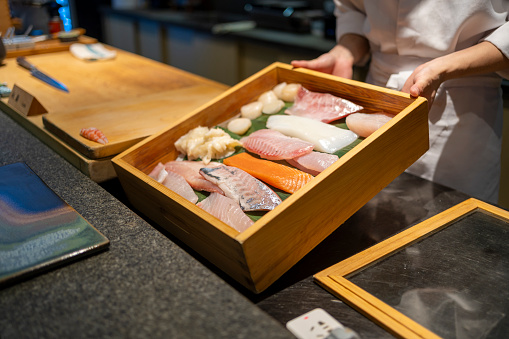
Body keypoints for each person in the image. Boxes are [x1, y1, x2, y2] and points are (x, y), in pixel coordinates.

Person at [292, 0, 509, 204]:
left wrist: (443, 68)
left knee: (448, 221)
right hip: (377, 94)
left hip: (461, 105)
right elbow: (353, 9)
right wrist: (345, 51)